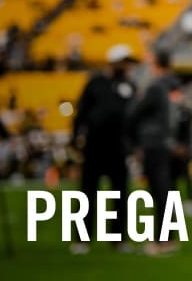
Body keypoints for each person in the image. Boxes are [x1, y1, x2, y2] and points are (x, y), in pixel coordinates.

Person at [72, 44, 138, 255]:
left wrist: (134, 143)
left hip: (118, 147)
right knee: (87, 194)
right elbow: (81, 111)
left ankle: (118, 239)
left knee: (120, 195)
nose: (127, 66)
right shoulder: (95, 83)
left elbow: (133, 117)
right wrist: (75, 138)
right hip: (94, 146)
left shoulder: (130, 85)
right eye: (124, 61)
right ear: (113, 62)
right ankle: (82, 239)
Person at [126, 51, 177, 256]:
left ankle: (161, 240)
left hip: (153, 144)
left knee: (159, 192)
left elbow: (134, 112)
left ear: (156, 65)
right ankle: (167, 238)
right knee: (165, 191)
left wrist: (133, 139)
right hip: (164, 143)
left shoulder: (156, 87)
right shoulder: (171, 85)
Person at [169, 78, 192, 195]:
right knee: (172, 176)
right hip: (172, 147)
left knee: (186, 175)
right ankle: (174, 202)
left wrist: (185, 146)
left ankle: (190, 198)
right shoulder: (168, 111)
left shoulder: (186, 111)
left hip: (183, 146)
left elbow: (187, 131)